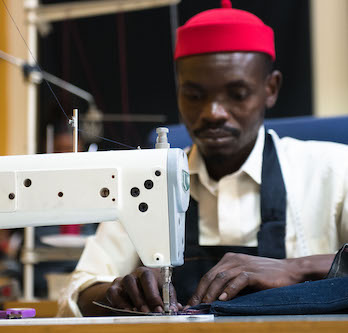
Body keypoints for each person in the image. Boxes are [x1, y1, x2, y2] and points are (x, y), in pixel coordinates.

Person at [57, 0, 348, 317]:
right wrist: (119, 293)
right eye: (195, 96)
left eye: (237, 95)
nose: (213, 113)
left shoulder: (333, 170)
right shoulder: (145, 182)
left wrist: (298, 269)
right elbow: (79, 291)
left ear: (271, 88)